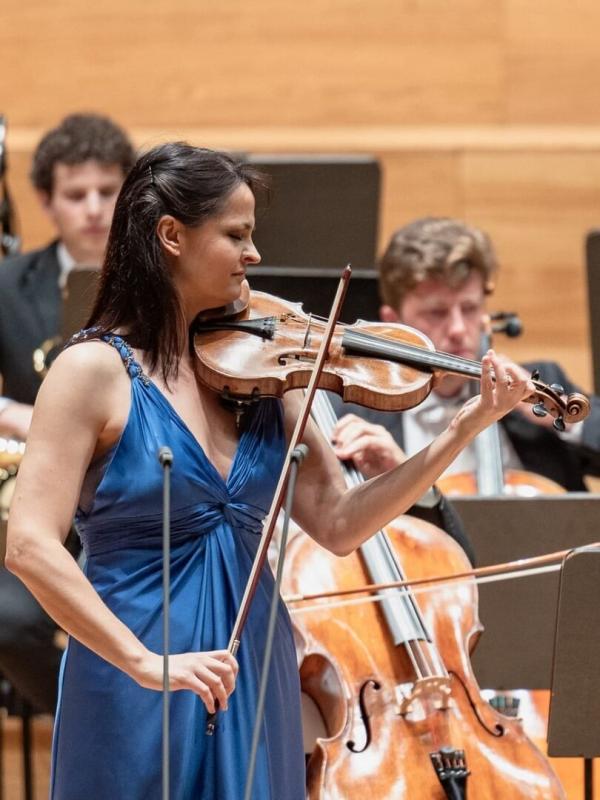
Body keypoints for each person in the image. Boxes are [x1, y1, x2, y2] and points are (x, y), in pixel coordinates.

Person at [6, 143, 531, 800]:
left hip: (251, 662)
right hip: (132, 669)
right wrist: (143, 661)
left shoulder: (265, 374)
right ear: (171, 236)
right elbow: (29, 544)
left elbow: (339, 524)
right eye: (237, 235)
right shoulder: (91, 373)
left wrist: (463, 429)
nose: (255, 256)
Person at [0, 113, 135, 713]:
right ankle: (91, 712)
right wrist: (18, 416)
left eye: (108, 193)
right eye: (76, 195)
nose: (94, 209)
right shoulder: (6, 285)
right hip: (37, 489)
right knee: (7, 620)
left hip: (136, 493)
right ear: (45, 201)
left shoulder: (163, 286)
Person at [330, 217, 600, 492]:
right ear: (394, 321)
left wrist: (565, 418)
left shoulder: (543, 384)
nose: (459, 329)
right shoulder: (354, 411)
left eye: (470, 308)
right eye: (437, 312)